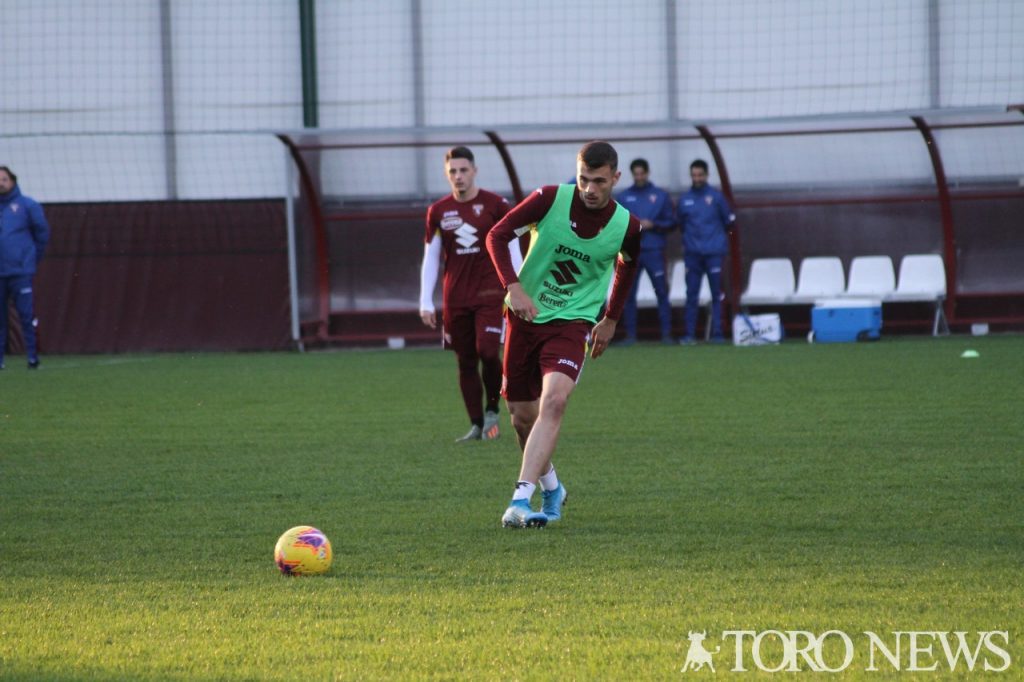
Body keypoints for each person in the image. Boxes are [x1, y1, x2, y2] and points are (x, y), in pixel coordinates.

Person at [486, 141, 642, 528]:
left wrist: (610, 319)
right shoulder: (549, 199)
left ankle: (520, 499)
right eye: (583, 179)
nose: (590, 188)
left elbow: (627, 267)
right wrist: (513, 286)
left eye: (599, 181)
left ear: (615, 178)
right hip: (525, 317)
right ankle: (553, 488)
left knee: (554, 402)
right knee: (522, 418)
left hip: (573, 324)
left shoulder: (629, 226)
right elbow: (497, 235)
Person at [420, 146, 521, 442]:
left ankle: (493, 411)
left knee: (488, 352)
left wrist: (516, 287)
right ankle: (477, 425)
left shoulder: (496, 205)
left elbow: (512, 245)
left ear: (474, 171)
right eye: (453, 171)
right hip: (456, 298)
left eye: (464, 170)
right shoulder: (437, 211)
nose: (458, 176)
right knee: (464, 361)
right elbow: (431, 256)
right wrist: (426, 300)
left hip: (491, 293)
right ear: (446, 174)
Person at [615, 158, 676, 345]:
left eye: (642, 173)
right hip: (632, 252)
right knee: (628, 293)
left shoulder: (660, 196)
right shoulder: (624, 197)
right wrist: (633, 226)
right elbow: (617, 224)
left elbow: (672, 222)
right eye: (636, 174)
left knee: (661, 292)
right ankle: (631, 336)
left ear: (647, 173)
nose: (639, 177)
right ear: (633, 175)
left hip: (654, 251)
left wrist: (654, 224)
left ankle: (666, 335)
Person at [676, 159, 736, 343]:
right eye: (694, 175)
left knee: (716, 294)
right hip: (692, 255)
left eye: (700, 175)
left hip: (714, 254)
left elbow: (730, 222)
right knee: (691, 295)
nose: (697, 178)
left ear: (707, 175)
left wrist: (715, 240)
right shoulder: (685, 200)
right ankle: (690, 335)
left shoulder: (717, 197)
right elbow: (680, 224)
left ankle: (718, 334)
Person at [0, 166, 50, 370]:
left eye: (3, 179)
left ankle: (32, 357)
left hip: (20, 271)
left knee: (25, 315)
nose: (0, 183)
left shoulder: (27, 205)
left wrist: (29, 260)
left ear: (12, 180)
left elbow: (42, 234)